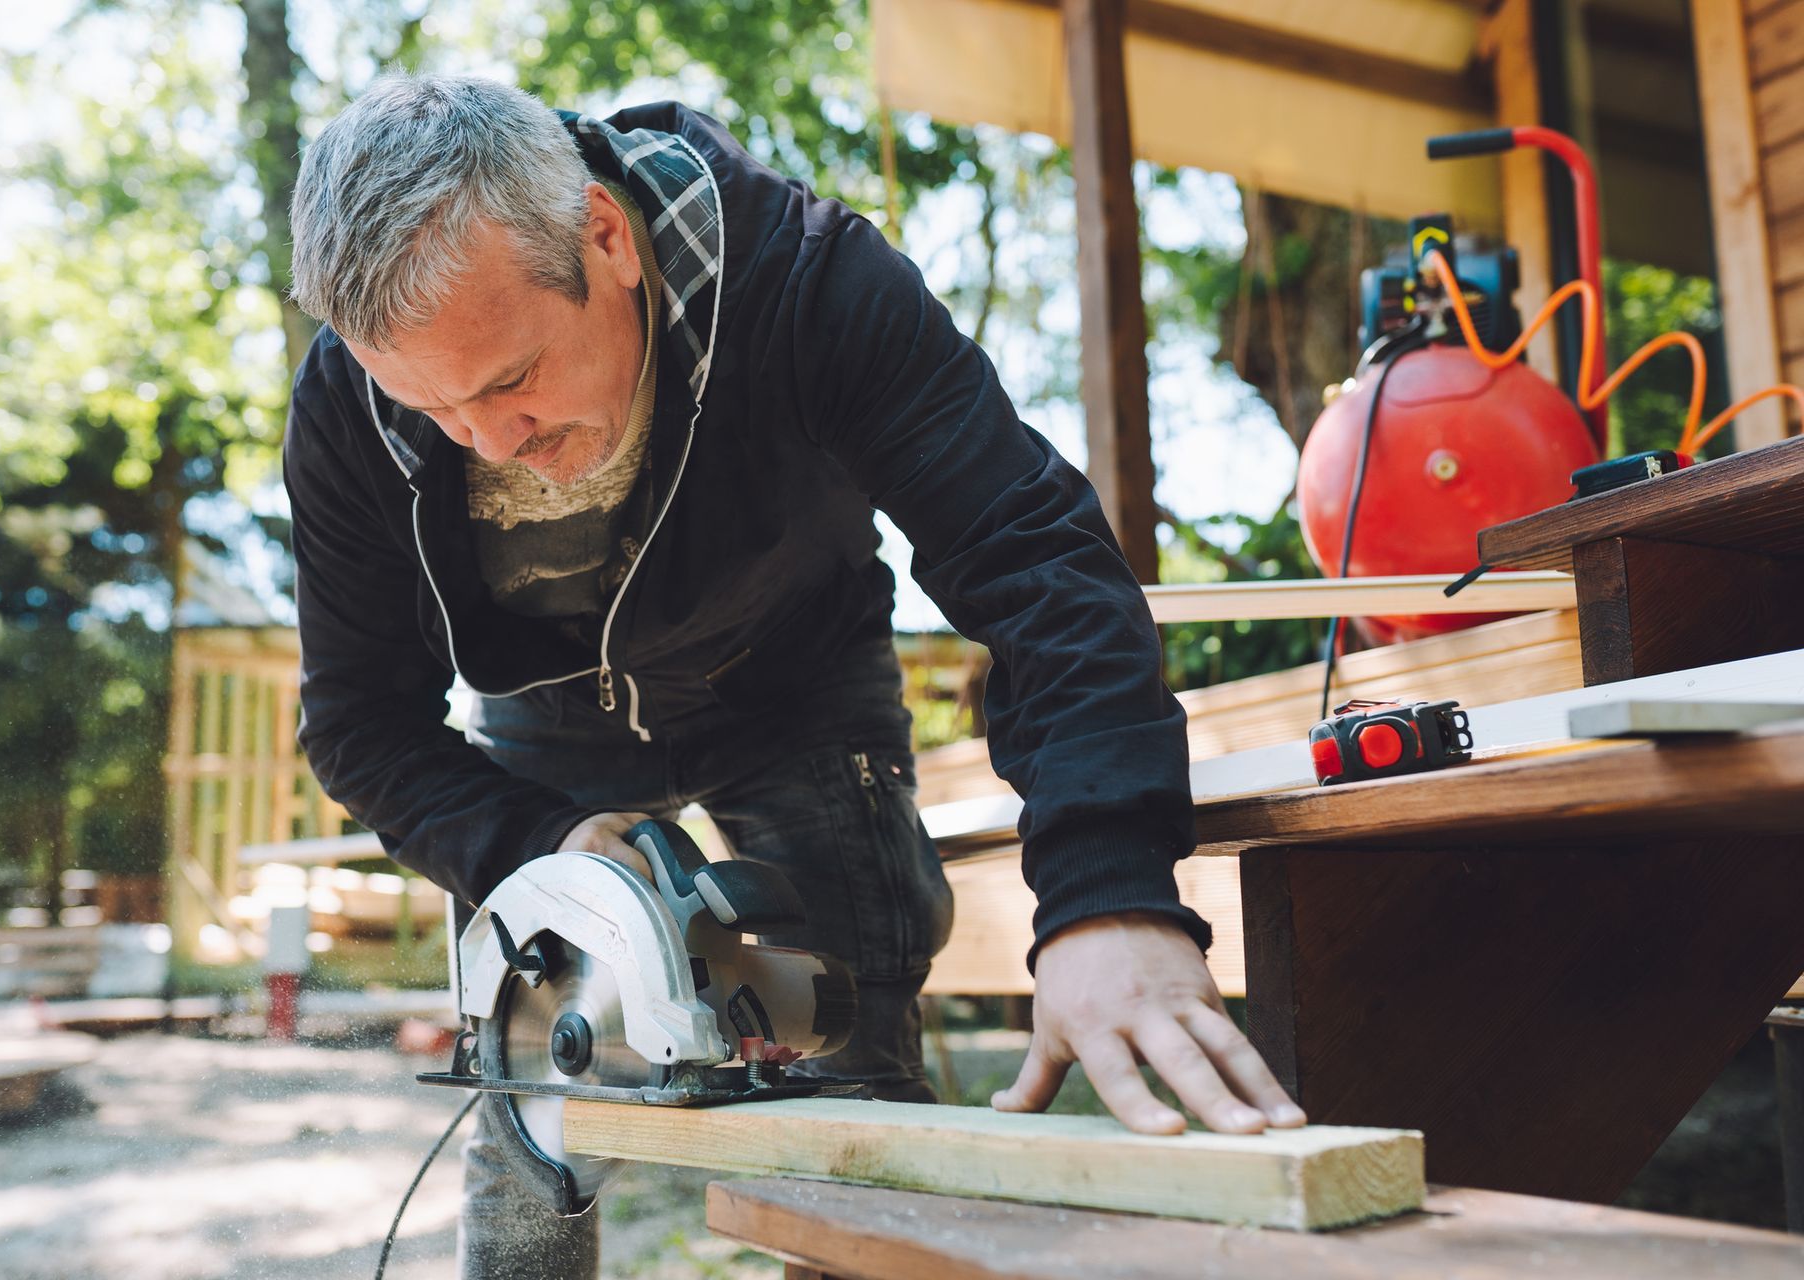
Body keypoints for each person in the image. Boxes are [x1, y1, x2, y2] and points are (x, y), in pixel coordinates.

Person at [283, 73, 1304, 1279]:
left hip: (789, 681)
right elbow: (358, 718)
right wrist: (529, 838)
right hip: (544, 719)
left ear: (606, 238)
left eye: (509, 382)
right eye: (433, 408)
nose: (488, 442)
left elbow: (1038, 568)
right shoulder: (349, 411)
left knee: (850, 1065)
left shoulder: (813, 283)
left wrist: (1109, 894)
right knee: (527, 1091)